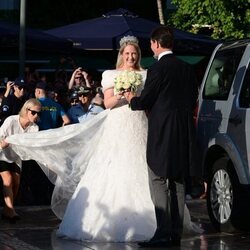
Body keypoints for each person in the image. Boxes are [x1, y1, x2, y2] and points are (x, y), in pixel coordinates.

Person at [4, 35, 202, 241]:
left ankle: (160, 223)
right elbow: (107, 104)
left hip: (140, 124)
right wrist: (123, 94)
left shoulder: (147, 73)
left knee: (149, 167)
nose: (131, 57)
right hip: (117, 125)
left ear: (139, 54)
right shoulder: (110, 74)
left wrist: (137, 98)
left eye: (134, 53)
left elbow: (150, 100)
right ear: (121, 55)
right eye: (127, 53)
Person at [125, 26, 201, 248]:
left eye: (151, 44)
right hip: (183, 131)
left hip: (162, 131)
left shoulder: (156, 69)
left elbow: (146, 100)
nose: (151, 47)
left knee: (157, 178)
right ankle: (175, 234)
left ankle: (162, 232)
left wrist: (132, 98)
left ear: (156, 43)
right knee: (177, 180)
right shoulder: (187, 68)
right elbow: (193, 97)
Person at [0, 98, 41, 222]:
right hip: (2, 155)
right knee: (8, 180)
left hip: (17, 158)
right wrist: (4, 144)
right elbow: (0, 139)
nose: (36, 116)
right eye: (33, 112)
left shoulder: (34, 128)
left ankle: (7, 210)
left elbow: (32, 146)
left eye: (39, 113)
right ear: (26, 110)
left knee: (16, 183)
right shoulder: (11, 121)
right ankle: (11, 211)